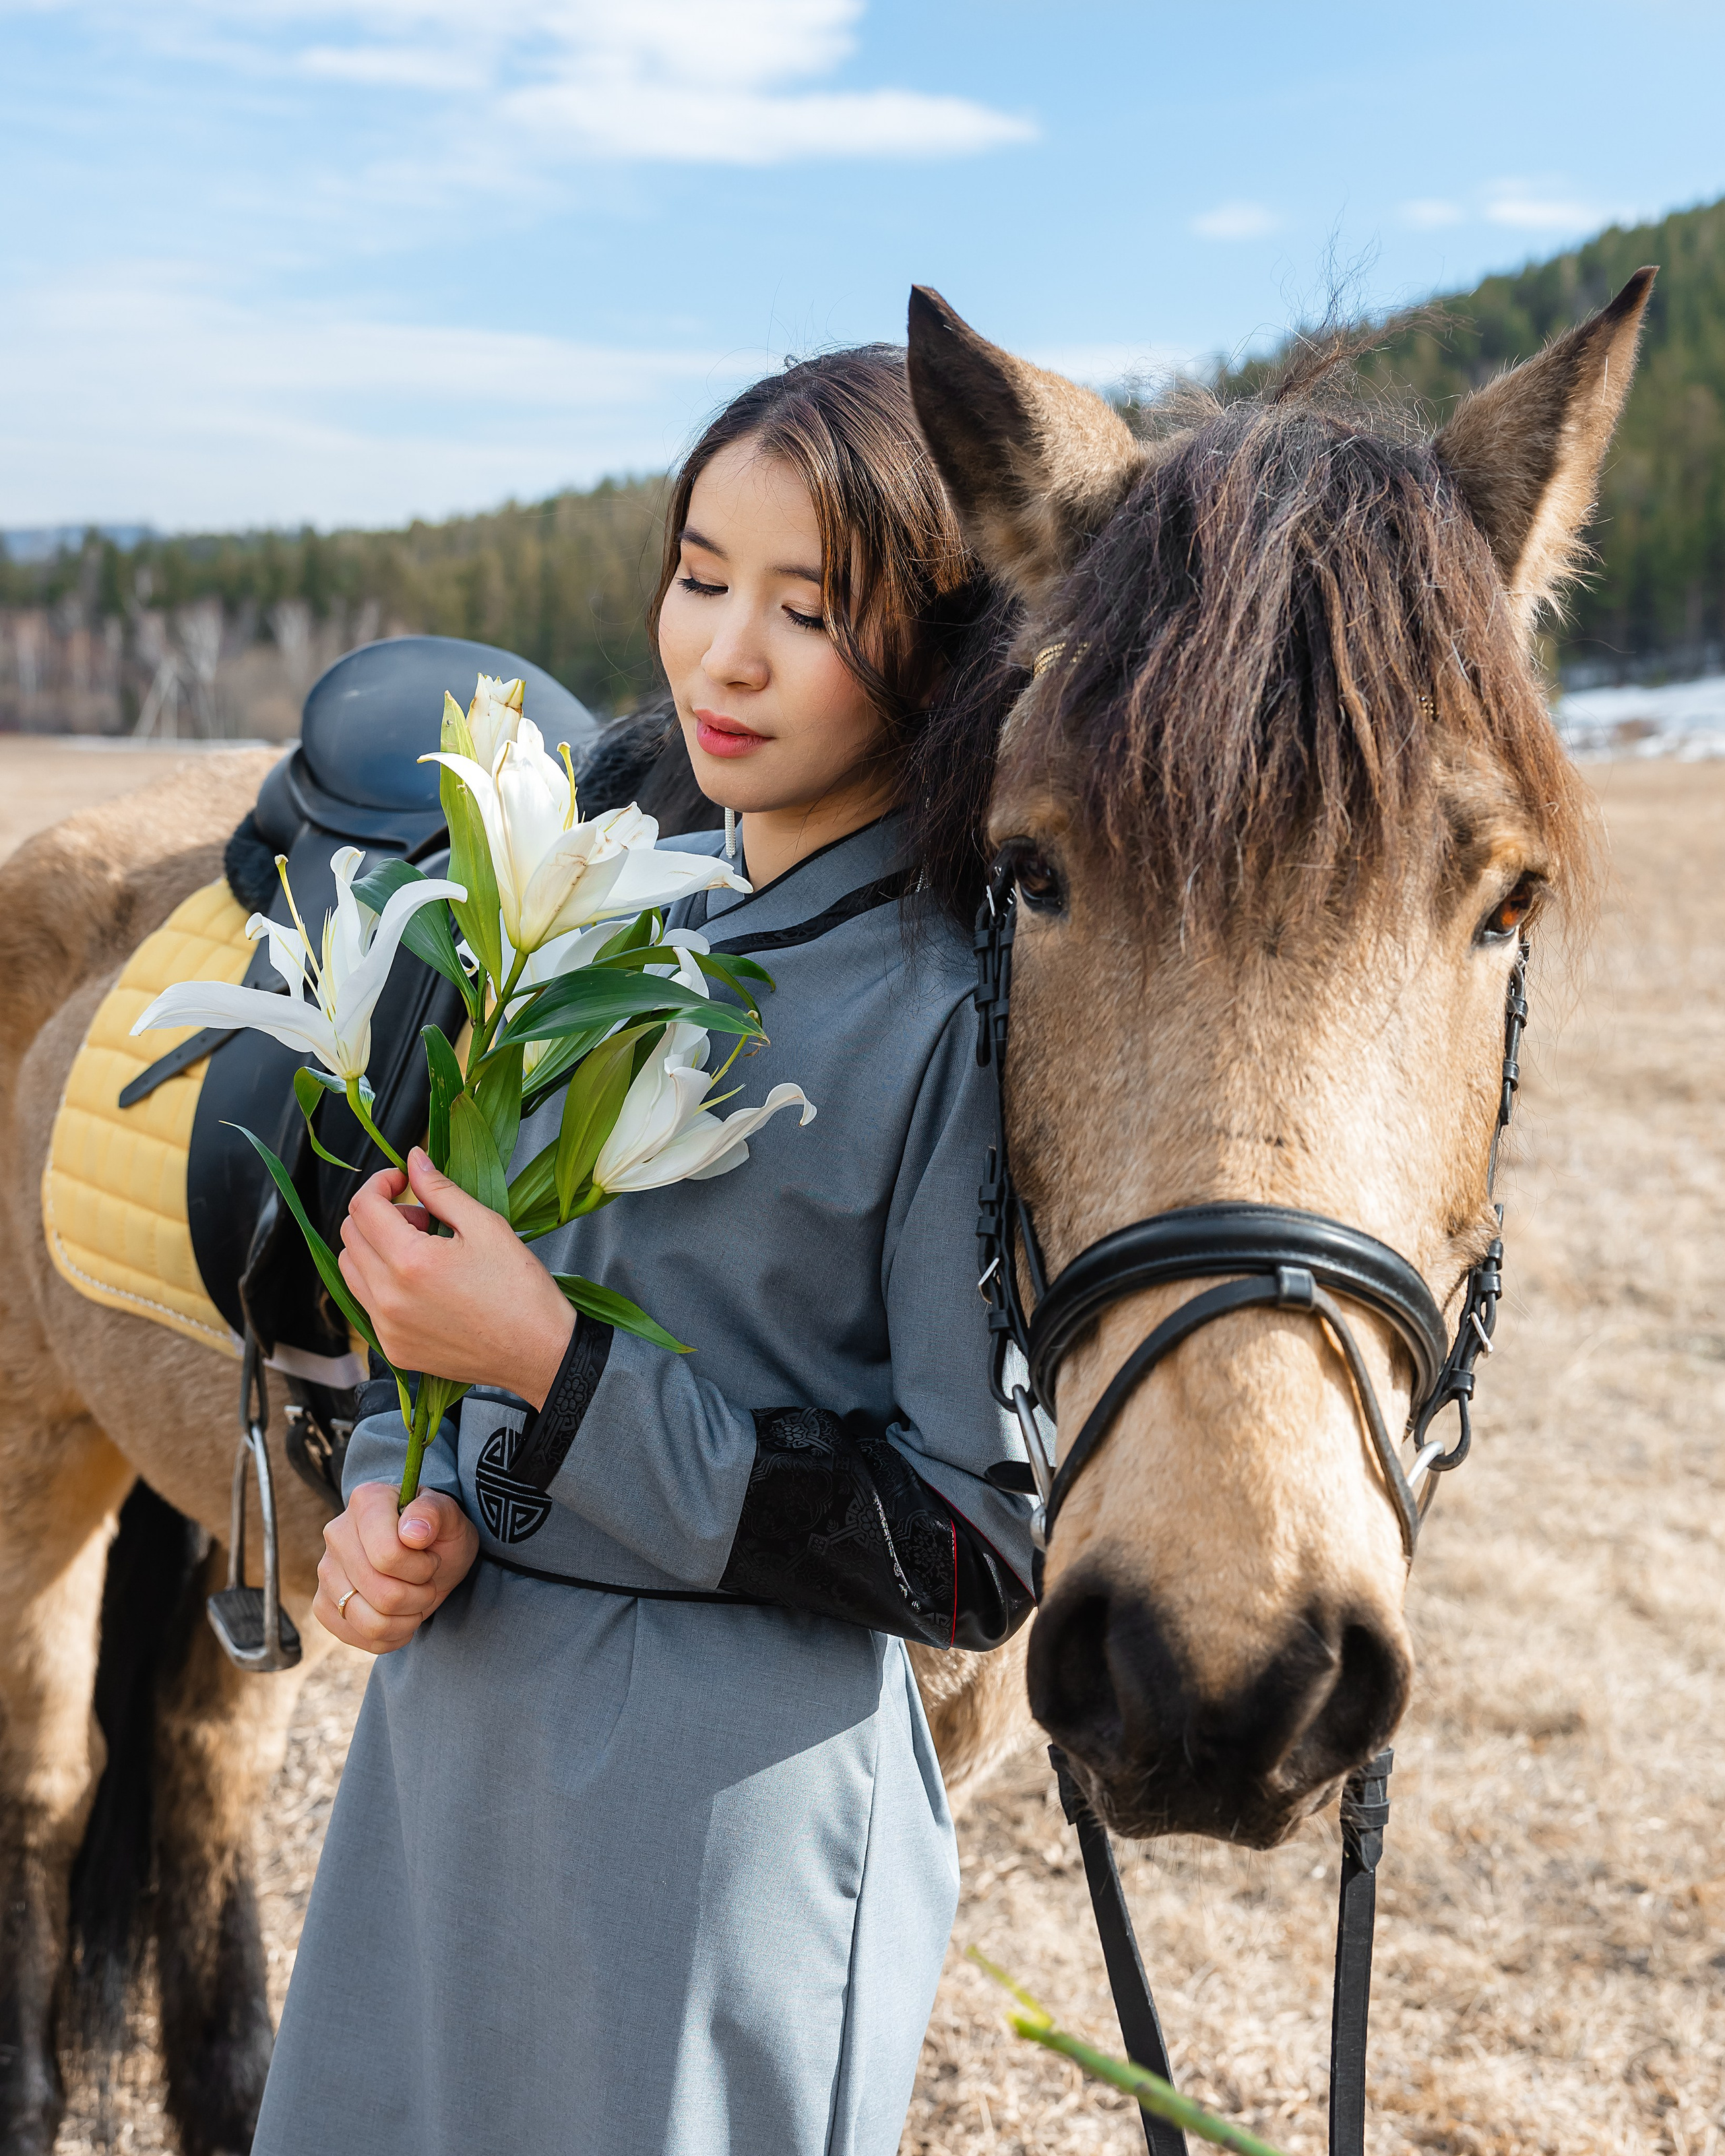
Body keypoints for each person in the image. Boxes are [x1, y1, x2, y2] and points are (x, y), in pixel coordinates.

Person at [251, 347, 1036, 2156]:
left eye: (809, 607)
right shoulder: (583, 905)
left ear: (939, 637)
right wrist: (387, 1496)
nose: (725, 656)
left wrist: (558, 1369)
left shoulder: (952, 1024)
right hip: (447, 1766)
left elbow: (971, 1547)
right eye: (701, 577)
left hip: (711, 1834)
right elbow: (449, 1323)